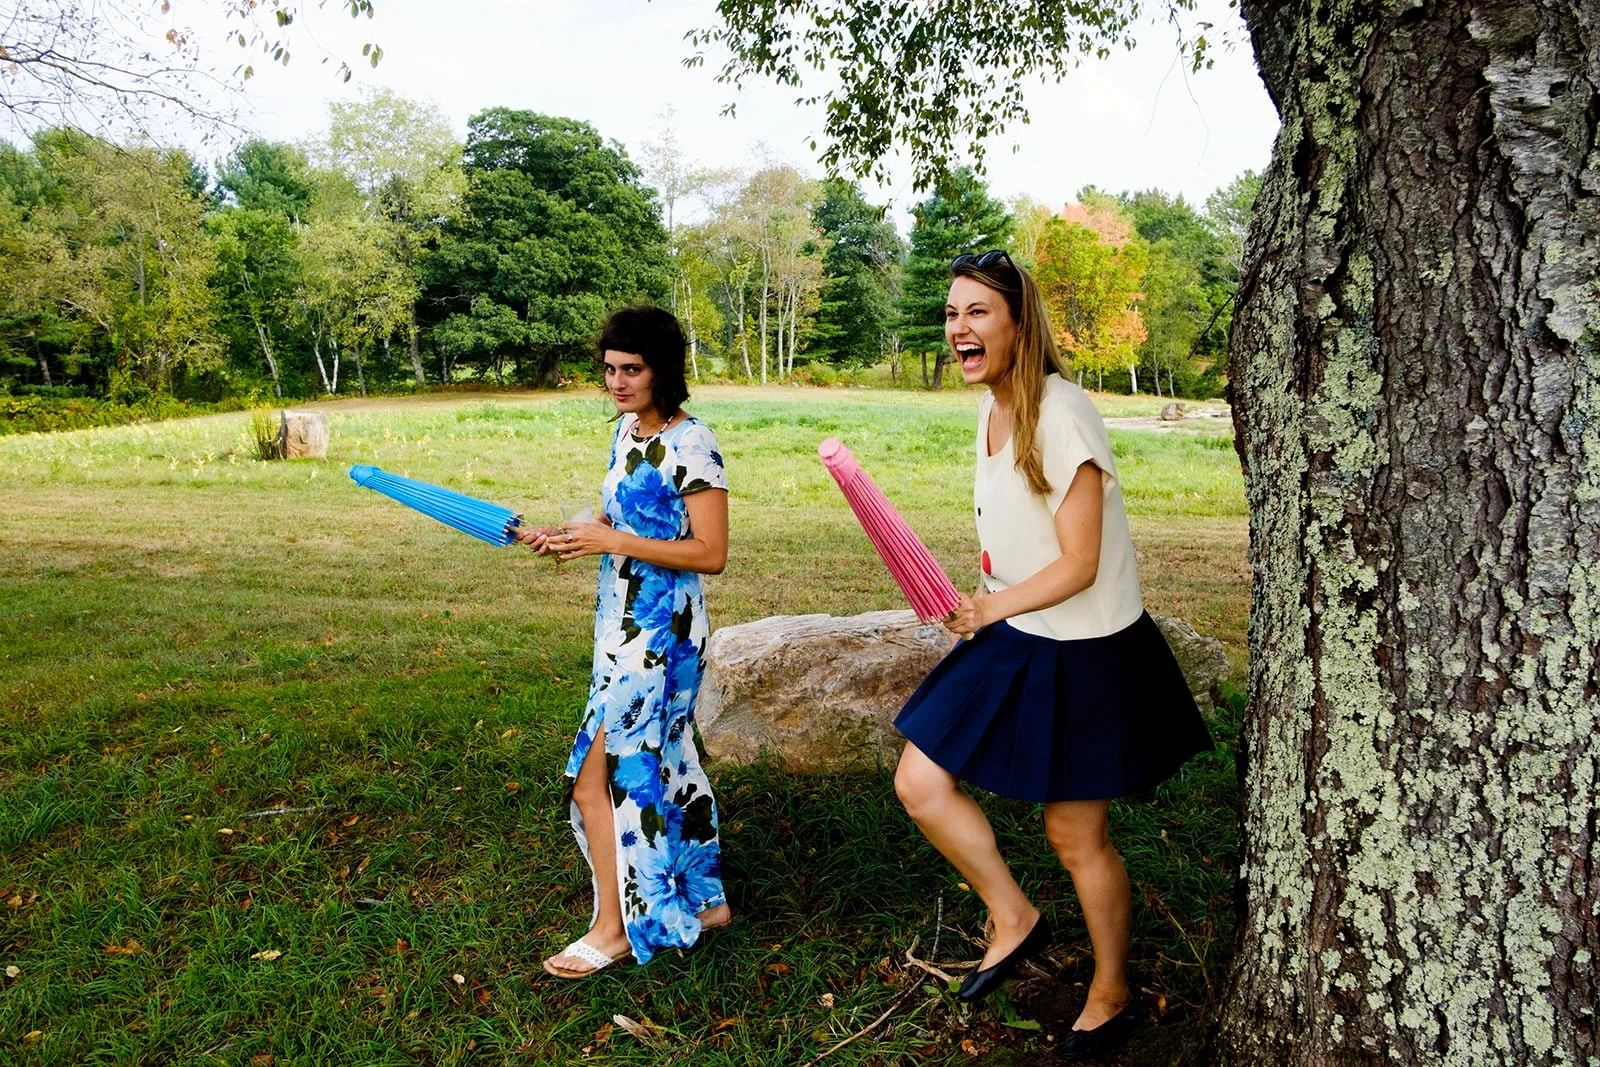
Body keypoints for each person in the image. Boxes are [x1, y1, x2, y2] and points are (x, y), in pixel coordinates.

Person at [892, 250, 1212, 1059]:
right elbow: (1022, 538)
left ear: (1017, 322)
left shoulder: (1061, 411)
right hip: (1018, 630)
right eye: (952, 313)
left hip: (1087, 647)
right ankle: (1014, 913)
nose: (959, 328)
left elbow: (1077, 561)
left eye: (977, 313)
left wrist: (989, 605)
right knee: (920, 779)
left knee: (1074, 835)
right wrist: (978, 596)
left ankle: (1111, 989)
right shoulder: (994, 405)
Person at [517, 305, 731, 978]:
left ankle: (612, 928)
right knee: (663, 761)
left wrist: (613, 540)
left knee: (601, 777)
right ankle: (705, 900)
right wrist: (571, 533)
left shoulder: (692, 443)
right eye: (609, 369)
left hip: (663, 633)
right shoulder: (628, 434)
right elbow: (616, 514)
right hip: (620, 625)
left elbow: (712, 551)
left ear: (663, 368)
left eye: (631, 369)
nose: (617, 382)